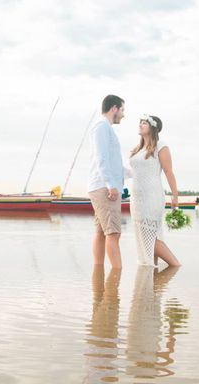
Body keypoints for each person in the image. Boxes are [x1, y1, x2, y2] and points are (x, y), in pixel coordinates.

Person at [129, 114, 182, 267]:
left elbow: (168, 171)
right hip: (136, 199)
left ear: (152, 128)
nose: (140, 125)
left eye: (144, 123)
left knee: (150, 236)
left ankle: (176, 266)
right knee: (143, 236)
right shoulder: (137, 149)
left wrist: (175, 196)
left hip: (152, 198)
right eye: (140, 122)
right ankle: (153, 282)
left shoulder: (161, 146)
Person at [89, 94, 127, 269]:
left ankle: (99, 279)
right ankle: (116, 278)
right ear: (114, 108)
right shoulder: (102, 126)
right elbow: (101, 158)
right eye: (122, 110)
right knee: (114, 233)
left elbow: (114, 164)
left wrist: (139, 172)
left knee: (102, 232)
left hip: (103, 185)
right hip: (105, 188)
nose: (123, 114)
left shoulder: (105, 128)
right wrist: (111, 185)